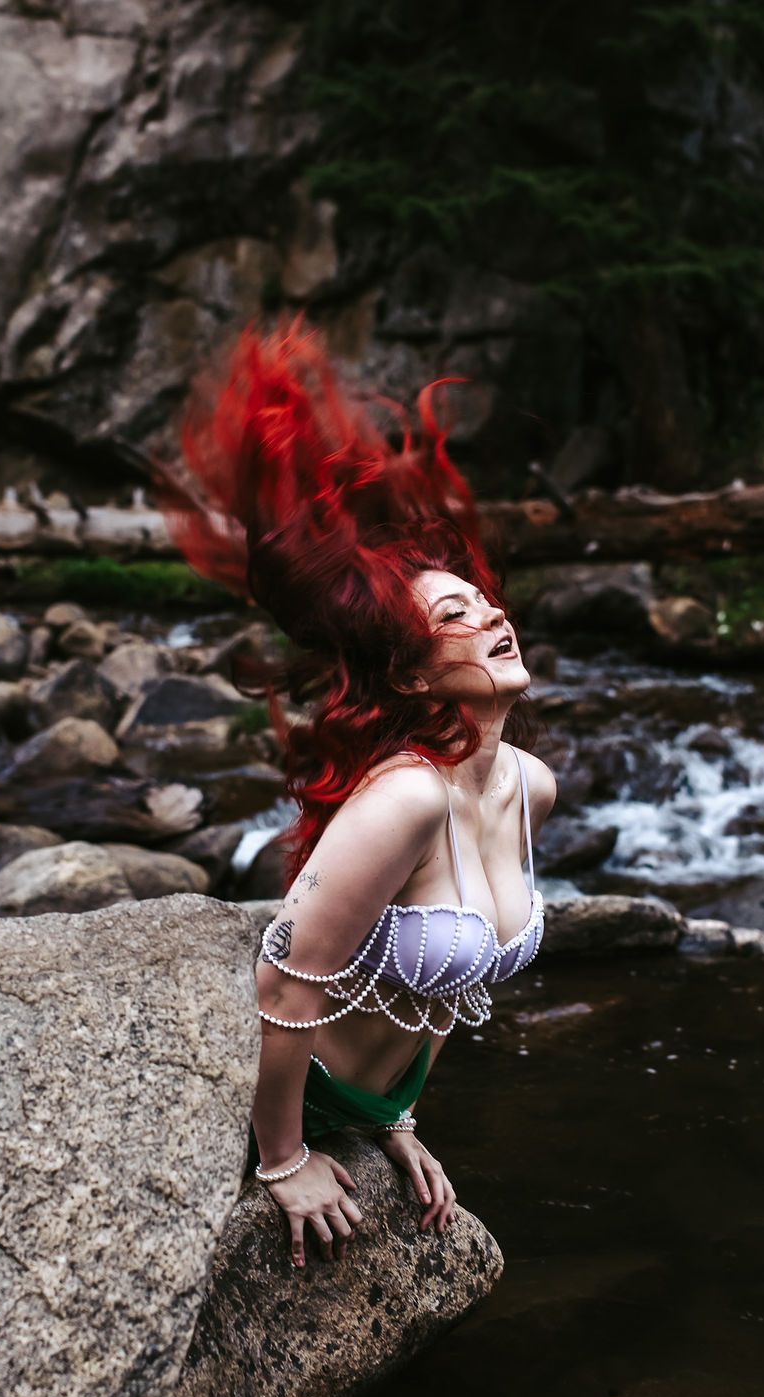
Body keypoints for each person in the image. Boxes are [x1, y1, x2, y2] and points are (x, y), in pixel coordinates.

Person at [162, 320, 556, 1270]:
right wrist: (284, 1156)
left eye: (484, 601)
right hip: (292, 1089)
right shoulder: (404, 800)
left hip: (371, 1103)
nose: (492, 615)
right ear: (415, 681)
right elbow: (285, 982)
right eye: (454, 616)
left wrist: (399, 1117)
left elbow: (449, 991)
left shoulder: (527, 787)